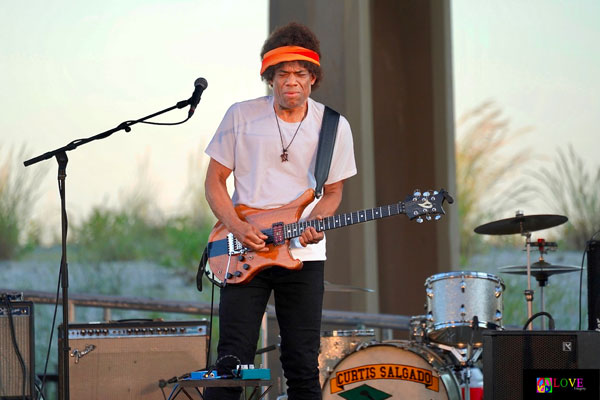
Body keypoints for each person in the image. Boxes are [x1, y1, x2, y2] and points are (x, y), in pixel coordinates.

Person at [203, 22, 357, 400]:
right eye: (283, 74)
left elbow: (334, 191)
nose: (292, 81)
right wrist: (238, 227)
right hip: (243, 250)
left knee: (302, 362)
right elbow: (214, 182)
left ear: (313, 78)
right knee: (231, 361)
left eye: (301, 74)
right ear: (270, 77)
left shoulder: (334, 126)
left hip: (304, 254)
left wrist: (317, 222)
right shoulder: (240, 116)